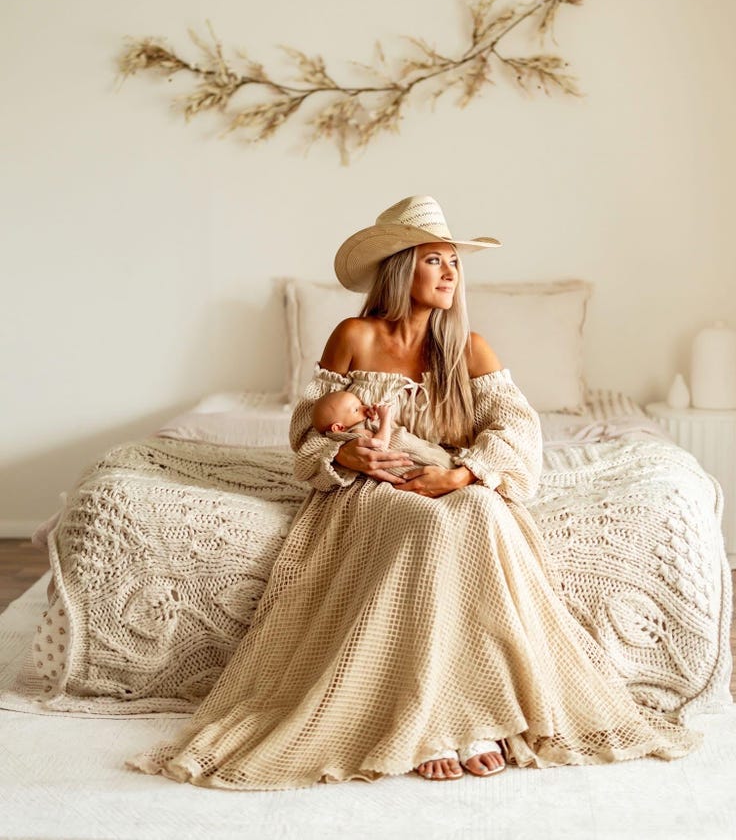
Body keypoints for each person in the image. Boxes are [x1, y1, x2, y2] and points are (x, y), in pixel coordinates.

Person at [128, 194, 699, 790]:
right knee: (427, 526)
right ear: (402, 268)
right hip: (370, 486)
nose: (451, 273)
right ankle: (429, 721)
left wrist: (461, 474)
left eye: (455, 261)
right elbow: (308, 425)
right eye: (435, 260)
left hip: (447, 474)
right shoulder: (353, 335)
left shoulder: (469, 348)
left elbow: (517, 428)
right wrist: (343, 452)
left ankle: (478, 711)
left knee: (479, 510)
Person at [311, 389, 457, 475]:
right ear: (338, 428)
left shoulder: (359, 425)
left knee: (438, 454)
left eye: (361, 404)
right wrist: (384, 418)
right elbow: (380, 447)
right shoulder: (355, 432)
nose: (363, 408)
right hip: (408, 453)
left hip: (413, 444)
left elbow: (376, 431)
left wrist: (373, 419)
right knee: (437, 460)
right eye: (356, 409)